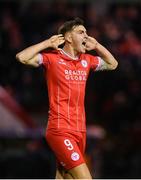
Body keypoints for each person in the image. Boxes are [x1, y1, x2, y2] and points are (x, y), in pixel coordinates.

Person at [16, 17, 118, 179]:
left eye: (86, 32)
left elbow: (113, 64)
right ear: (69, 38)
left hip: (80, 131)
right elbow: (22, 57)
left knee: (65, 177)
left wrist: (97, 45)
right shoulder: (52, 58)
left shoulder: (87, 60)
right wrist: (46, 44)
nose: (86, 36)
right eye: (81, 32)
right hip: (60, 130)